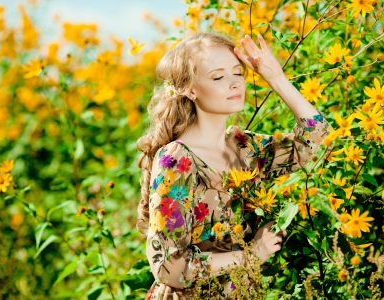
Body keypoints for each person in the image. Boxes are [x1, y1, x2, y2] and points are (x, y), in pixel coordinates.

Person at [136, 32, 333, 299]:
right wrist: (252, 255)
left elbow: (318, 141)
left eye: (238, 73)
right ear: (189, 89)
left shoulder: (242, 146)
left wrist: (276, 78)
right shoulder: (177, 159)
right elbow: (168, 267)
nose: (234, 84)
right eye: (218, 77)